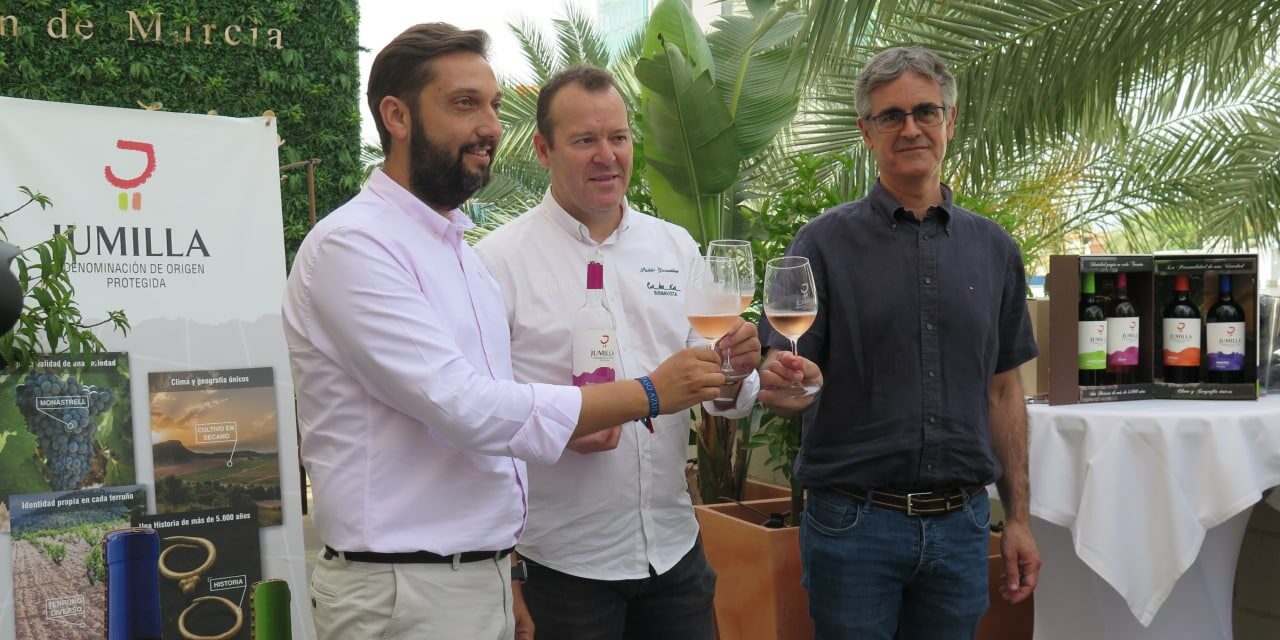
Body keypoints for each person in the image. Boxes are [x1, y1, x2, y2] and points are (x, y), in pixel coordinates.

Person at [282, 25, 726, 640]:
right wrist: (648, 393)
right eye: (465, 104)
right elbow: (466, 407)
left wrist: (503, 573)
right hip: (402, 592)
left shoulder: (455, 252)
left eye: (492, 105)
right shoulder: (354, 244)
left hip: (477, 577)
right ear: (396, 116)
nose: (491, 124)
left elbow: (490, 439)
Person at [474, 65, 771, 640]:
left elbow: (720, 390)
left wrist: (737, 368)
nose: (606, 155)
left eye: (618, 137)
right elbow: (482, 421)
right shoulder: (497, 264)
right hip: (560, 565)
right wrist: (505, 565)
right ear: (543, 148)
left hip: (674, 552)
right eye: (585, 140)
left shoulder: (675, 245)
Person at [757, 45, 1042, 640]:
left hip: (962, 528)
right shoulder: (821, 245)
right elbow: (782, 374)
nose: (910, 128)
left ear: (950, 121)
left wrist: (1017, 518)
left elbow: (1004, 391)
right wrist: (782, 385)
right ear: (867, 131)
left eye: (925, 112)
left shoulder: (995, 251)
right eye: (891, 116)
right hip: (853, 526)